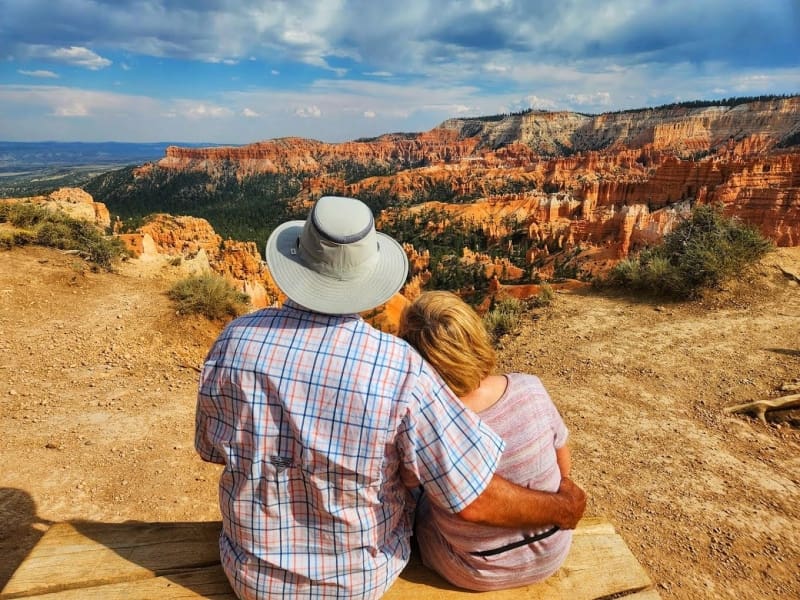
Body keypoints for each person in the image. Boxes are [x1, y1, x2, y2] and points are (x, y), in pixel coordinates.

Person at [195, 195, 586, 599]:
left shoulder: (233, 340)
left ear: (298, 261)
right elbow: (471, 497)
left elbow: (211, 448)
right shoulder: (399, 368)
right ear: (368, 275)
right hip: (355, 584)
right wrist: (563, 508)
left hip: (251, 576)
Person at [398, 290, 574, 591]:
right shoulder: (530, 388)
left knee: (417, 501)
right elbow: (563, 461)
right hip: (553, 550)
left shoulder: (426, 420)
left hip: (473, 570)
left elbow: (407, 484)